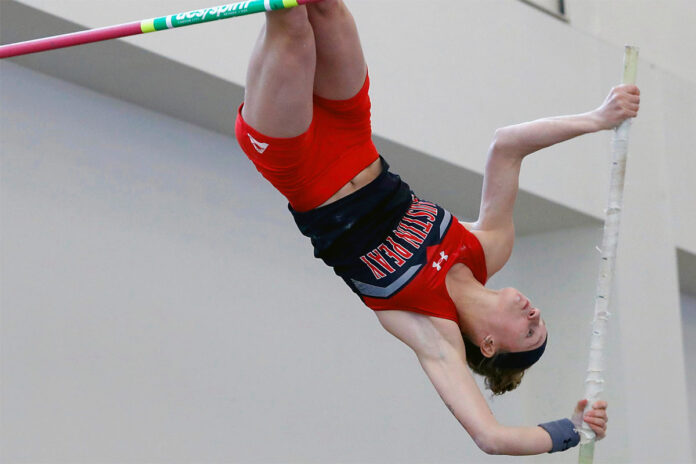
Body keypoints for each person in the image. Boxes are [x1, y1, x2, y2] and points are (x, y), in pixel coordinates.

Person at [235, 0, 639, 456]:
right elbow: (507, 145)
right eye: (540, 320)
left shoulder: (434, 331)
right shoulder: (489, 249)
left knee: (291, 22)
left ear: (488, 346)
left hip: (293, 159)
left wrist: (573, 429)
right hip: (350, 129)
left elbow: (492, 437)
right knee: (325, 9)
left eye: (529, 332)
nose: (533, 314)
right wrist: (598, 119)